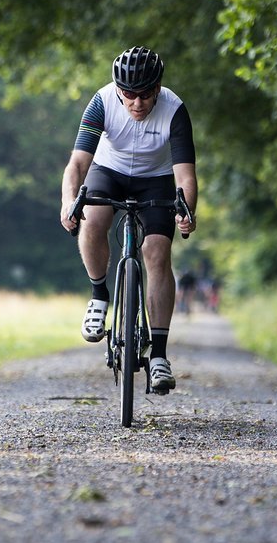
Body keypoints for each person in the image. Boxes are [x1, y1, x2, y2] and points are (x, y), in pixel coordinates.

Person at [59, 46, 197, 392]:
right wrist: (68, 202)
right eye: (129, 95)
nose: (137, 103)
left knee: (156, 252)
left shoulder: (175, 109)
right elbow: (77, 164)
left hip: (156, 179)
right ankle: (98, 296)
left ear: (158, 88)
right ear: (118, 90)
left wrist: (187, 209)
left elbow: (185, 176)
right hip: (109, 171)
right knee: (91, 219)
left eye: (145, 94)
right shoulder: (102, 101)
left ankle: (160, 357)